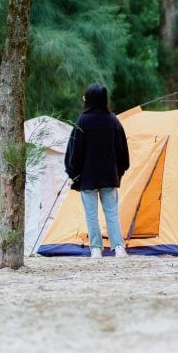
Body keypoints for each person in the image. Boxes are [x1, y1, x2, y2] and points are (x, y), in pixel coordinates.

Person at [65, 83, 130, 258]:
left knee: (91, 215)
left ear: (88, 99)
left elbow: (74, 150)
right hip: (109, 176)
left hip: (87, 177)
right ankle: (118, 248)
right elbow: (122, 149)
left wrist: (73, 172)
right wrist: (120, 170)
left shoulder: (82, 121)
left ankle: (95, 249)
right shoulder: (113, 121)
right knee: (112, 213)